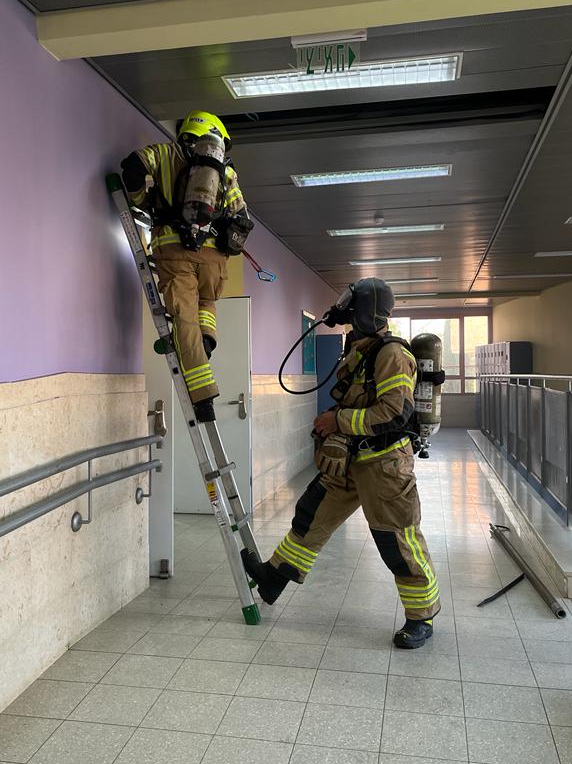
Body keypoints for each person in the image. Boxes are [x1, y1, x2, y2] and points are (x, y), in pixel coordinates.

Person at [243, 278, 441, 648]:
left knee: (396, 541)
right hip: (350, 459)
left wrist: (337, 421)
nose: (345, 313)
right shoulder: (361, 349)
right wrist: (335, 426)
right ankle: (273, 578)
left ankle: (421, 617)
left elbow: (394, 413)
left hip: (384, 465)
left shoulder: (392, 354)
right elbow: (358, 398)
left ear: (366, 311)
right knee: (311, 517)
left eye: (352, 307)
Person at [120, 110, 253, 422]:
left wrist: (144, 200)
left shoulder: (165, 153)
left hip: (172, 251)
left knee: (184, 320)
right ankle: (205, 340)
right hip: (214, 259)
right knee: (206, 301)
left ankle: (202, 397)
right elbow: (241, 215)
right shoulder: (226, 171)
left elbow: (132, 167)